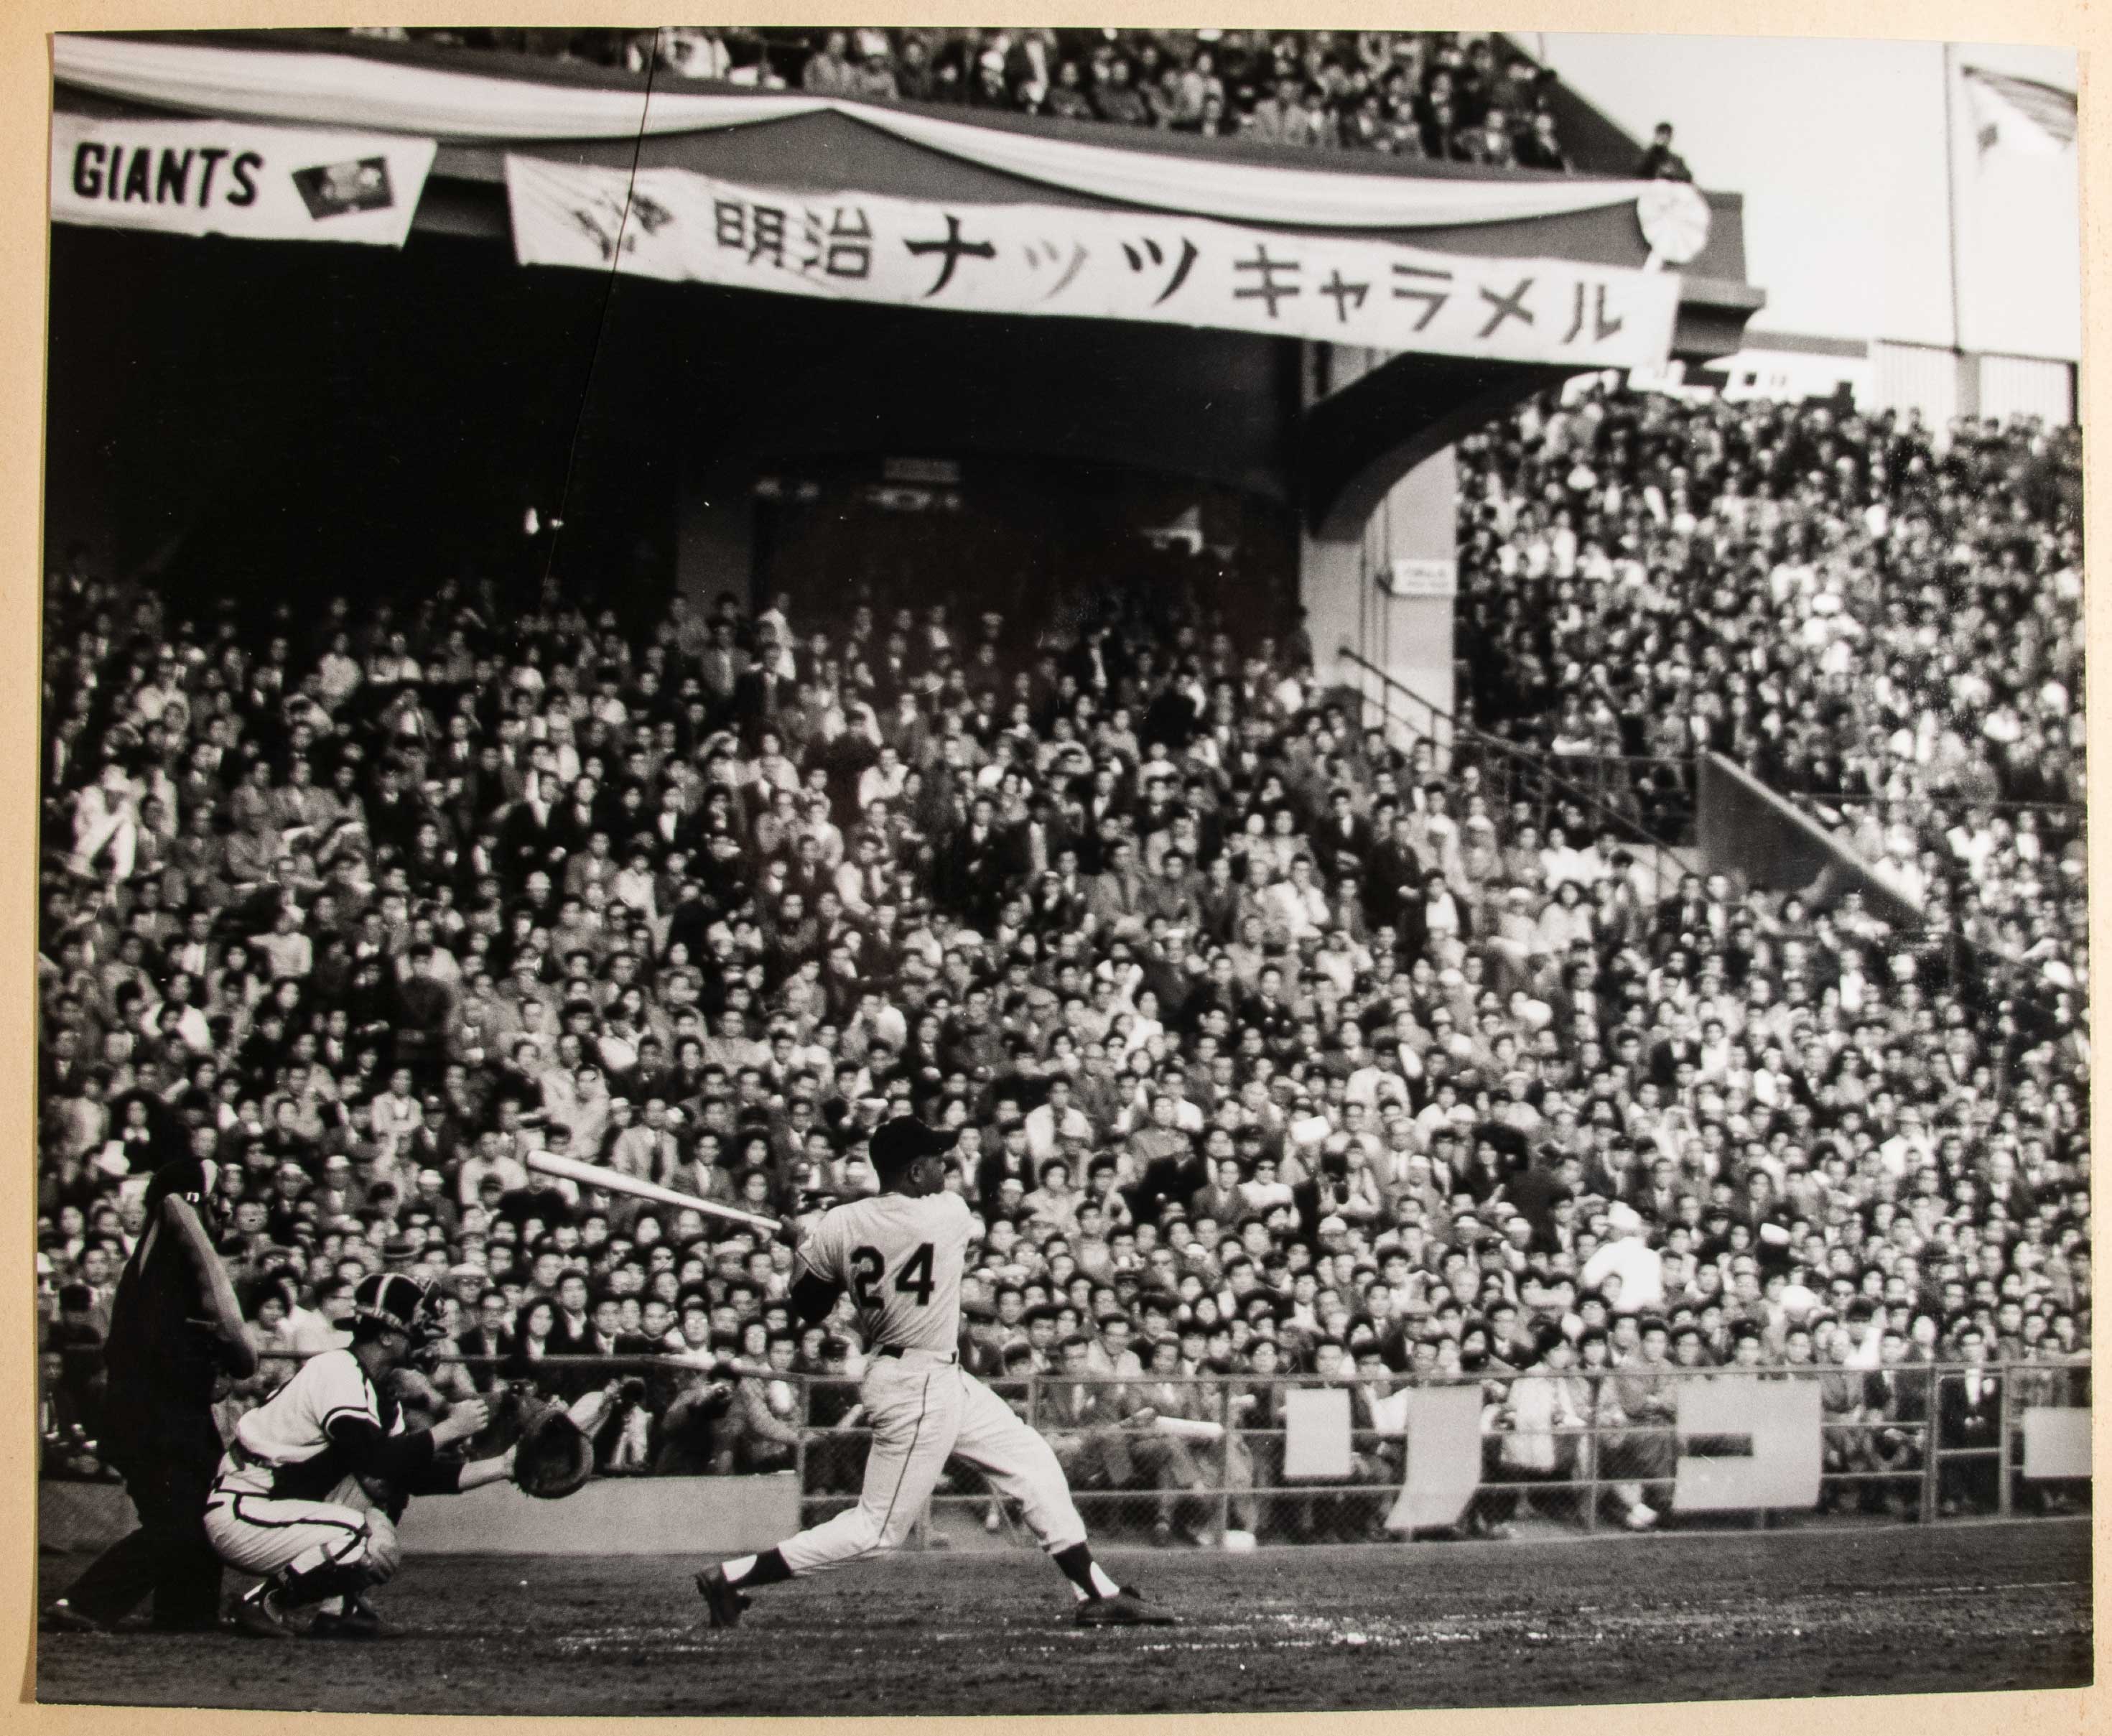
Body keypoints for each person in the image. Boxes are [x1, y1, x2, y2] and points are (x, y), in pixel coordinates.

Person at [695, 1115, 1173, 1629]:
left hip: (935, 1376)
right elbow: (881, 1232)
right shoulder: (948, 1212)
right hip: (916, 1385)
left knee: (1033, 1463)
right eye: (936, 1161)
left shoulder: (841, 1223)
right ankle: (730, 1577)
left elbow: (810, 1304)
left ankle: (1096, 1592)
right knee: (876, 1531)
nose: (945, 1170)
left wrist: (804, 1248)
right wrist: (817, 1239)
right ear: (915, 1171)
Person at [207, 1273, 508, 1638]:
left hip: (280, 1501)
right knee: (366, 1538)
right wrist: (450, 1428)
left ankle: (340, 1609)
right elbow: (376, 1458)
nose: (425, 1338)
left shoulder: (379, 1391)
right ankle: (262, 1602)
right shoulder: (337, 1370)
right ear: (386, 1336)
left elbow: (407, 1473)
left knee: (387, 1493)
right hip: (246, 1507)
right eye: (416, 1327)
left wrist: (505, 1465)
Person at [45, 1156, 257, 1634]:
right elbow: (163, 1351)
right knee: (177, 1522)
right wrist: (215, 1366)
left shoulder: (162, 1266)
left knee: (202, 1513)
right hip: (154, 1420)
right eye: (215, 1201)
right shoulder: (164, 1267)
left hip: (173, 1418)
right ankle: (84, 1602)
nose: (224, 1211)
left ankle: (187, 1611)